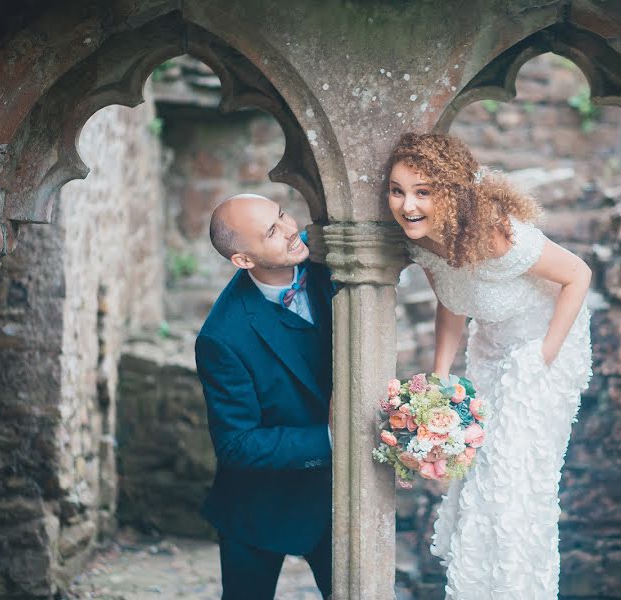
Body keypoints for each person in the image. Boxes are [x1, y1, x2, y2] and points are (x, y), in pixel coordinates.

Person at [386, 133, 593, 598]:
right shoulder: (422, 243)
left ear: (451, 193)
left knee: (511, 478)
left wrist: (543, 357)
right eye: (397, 190)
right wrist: (439, 379)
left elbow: (578, 275)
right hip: (493, 348)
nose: (407, 205)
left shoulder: (497, 233)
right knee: (479, 478)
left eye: (423, 191)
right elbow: (453, 301)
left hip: (545, 351)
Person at [195, 194, 336, 600]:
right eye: (273, 231)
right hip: (260, 506)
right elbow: (237, 444)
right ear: (243, 260)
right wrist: (330, 437)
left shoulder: (326, 253)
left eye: (282, 214)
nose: (291, 230)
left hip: (338, 494)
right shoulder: (222, 336)